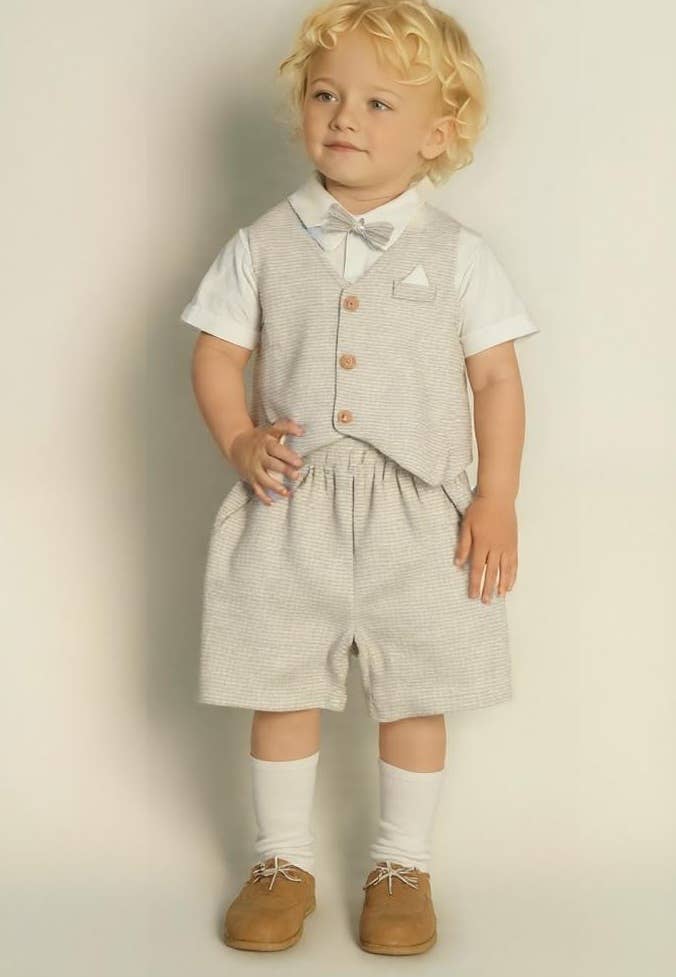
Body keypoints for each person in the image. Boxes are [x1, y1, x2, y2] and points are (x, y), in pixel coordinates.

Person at [180, 0, 539, 956]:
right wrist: (238, 438)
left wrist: (497, 497)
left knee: (415, 688)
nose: (345, 117)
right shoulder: (261, 242)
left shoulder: (459, 255)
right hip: (291, 502)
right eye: (326, 95)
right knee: (281, 679)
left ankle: (402, 865)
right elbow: (216, 354)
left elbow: (497, 379)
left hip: (419, 516)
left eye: (381, 103)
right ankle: (281, 860)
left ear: (437, 134)